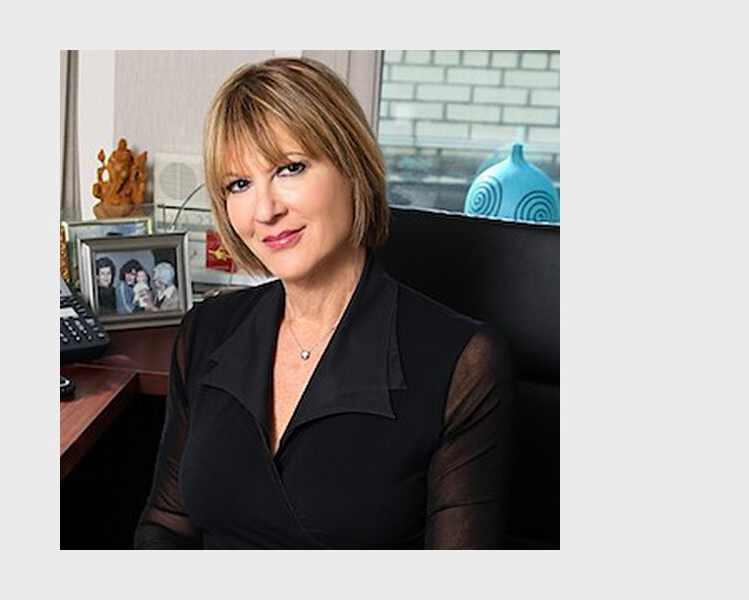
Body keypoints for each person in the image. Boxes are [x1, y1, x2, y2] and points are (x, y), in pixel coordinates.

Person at [134, 57, 513, 549]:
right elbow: (166, 523)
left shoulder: (463, 363)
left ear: (352, 166)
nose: (265, 210)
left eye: (290, 168)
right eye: (239, 184)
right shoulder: (206, 330)